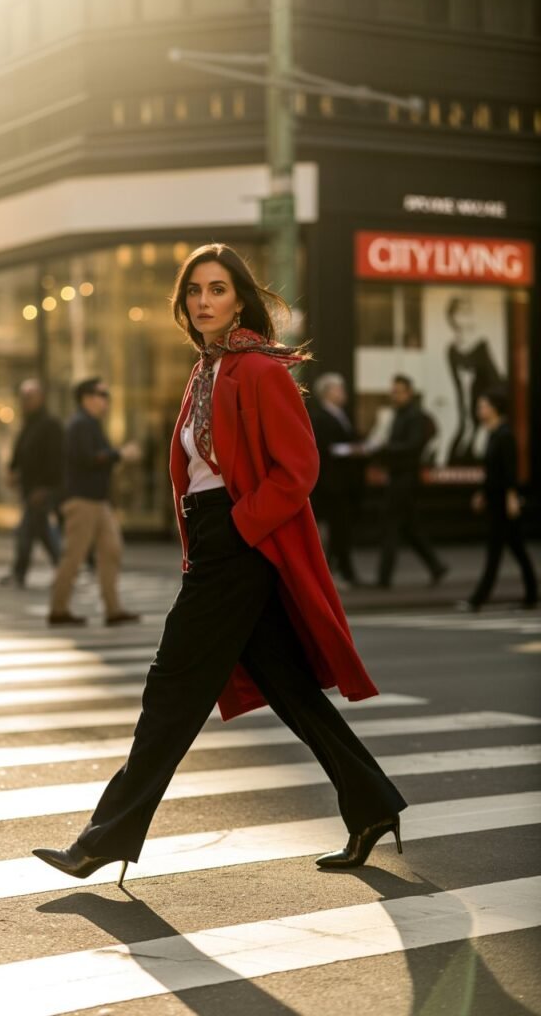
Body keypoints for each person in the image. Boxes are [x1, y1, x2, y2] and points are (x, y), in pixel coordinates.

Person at [34, 243, 407, 886]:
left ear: (240, 298)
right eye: (194, 292)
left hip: (239, 541)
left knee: (171, 687)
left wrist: (239, 527)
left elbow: (299, 470)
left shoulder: (257, 368)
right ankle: (372, 805)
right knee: (290, 689)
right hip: (216, 540)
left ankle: (106, 836)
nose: (203, 301)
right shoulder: (207, 371)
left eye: (217, 290)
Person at [48, 377, 142, 626]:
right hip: (82, 501)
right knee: (74, 556)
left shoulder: (91, 424)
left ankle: (113, 609)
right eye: (102, 394)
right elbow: (88, 458)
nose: (106, 400)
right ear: (87, 398)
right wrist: (120, 454)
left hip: (98, 501)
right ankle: (58, 610)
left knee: (111, 551)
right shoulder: (79, 425)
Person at [460, 387, 537, 612]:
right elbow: (492, 471)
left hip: (504, 503)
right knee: (518, 550)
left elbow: (509, 471)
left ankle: (478, 599)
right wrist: (482, 493)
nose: (479, 410)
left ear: (495, 409)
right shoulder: (493, 434)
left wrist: (512, 498)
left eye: (483, 405)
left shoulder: (505, 435)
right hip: (495, 500)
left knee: (496, 553)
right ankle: (532, 594)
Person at [373, 375, 448, 588]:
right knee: (409, 527)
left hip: (405, 479)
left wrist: (385, 450)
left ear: (409, 393)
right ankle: (436, 566)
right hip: (399, 476)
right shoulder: (400, 414)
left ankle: (383, 578)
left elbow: (413, 446)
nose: (394, 395)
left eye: (398, 391)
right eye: (393, 391)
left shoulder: (414, 416)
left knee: (391, 525)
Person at [0, 379, 64, 588]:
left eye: (29, 398)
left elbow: (56, 460)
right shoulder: (29, 423)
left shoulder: (50, 425)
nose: (25, 402)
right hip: (29, 487)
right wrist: (12, 469)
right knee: (41, 530)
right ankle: (63, 569)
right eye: (23, 398)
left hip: (41, 488)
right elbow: (20, 451)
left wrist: (45, 487)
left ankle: (22, 572)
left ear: (40, 398)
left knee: (27, 531)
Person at [308, 372, 363, 587]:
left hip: (344, 483)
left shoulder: (343, 414)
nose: (343, 393)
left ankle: (340, 572)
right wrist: (351, 449)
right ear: (327, 392)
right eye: (338, 389)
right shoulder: (319, 416)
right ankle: (337, 573)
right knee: (335, 528)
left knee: (342, 529)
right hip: (330, 484)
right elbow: (323, 447)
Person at [445, 295, 502, 466]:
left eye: (466, 312)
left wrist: (486, 424)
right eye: (458, 313)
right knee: (454, 458)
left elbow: (498, 385)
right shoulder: (451, 351)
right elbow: (458, 388)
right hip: (464, 418)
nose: (463, 317)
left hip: (484, 419)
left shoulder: (482, 345)